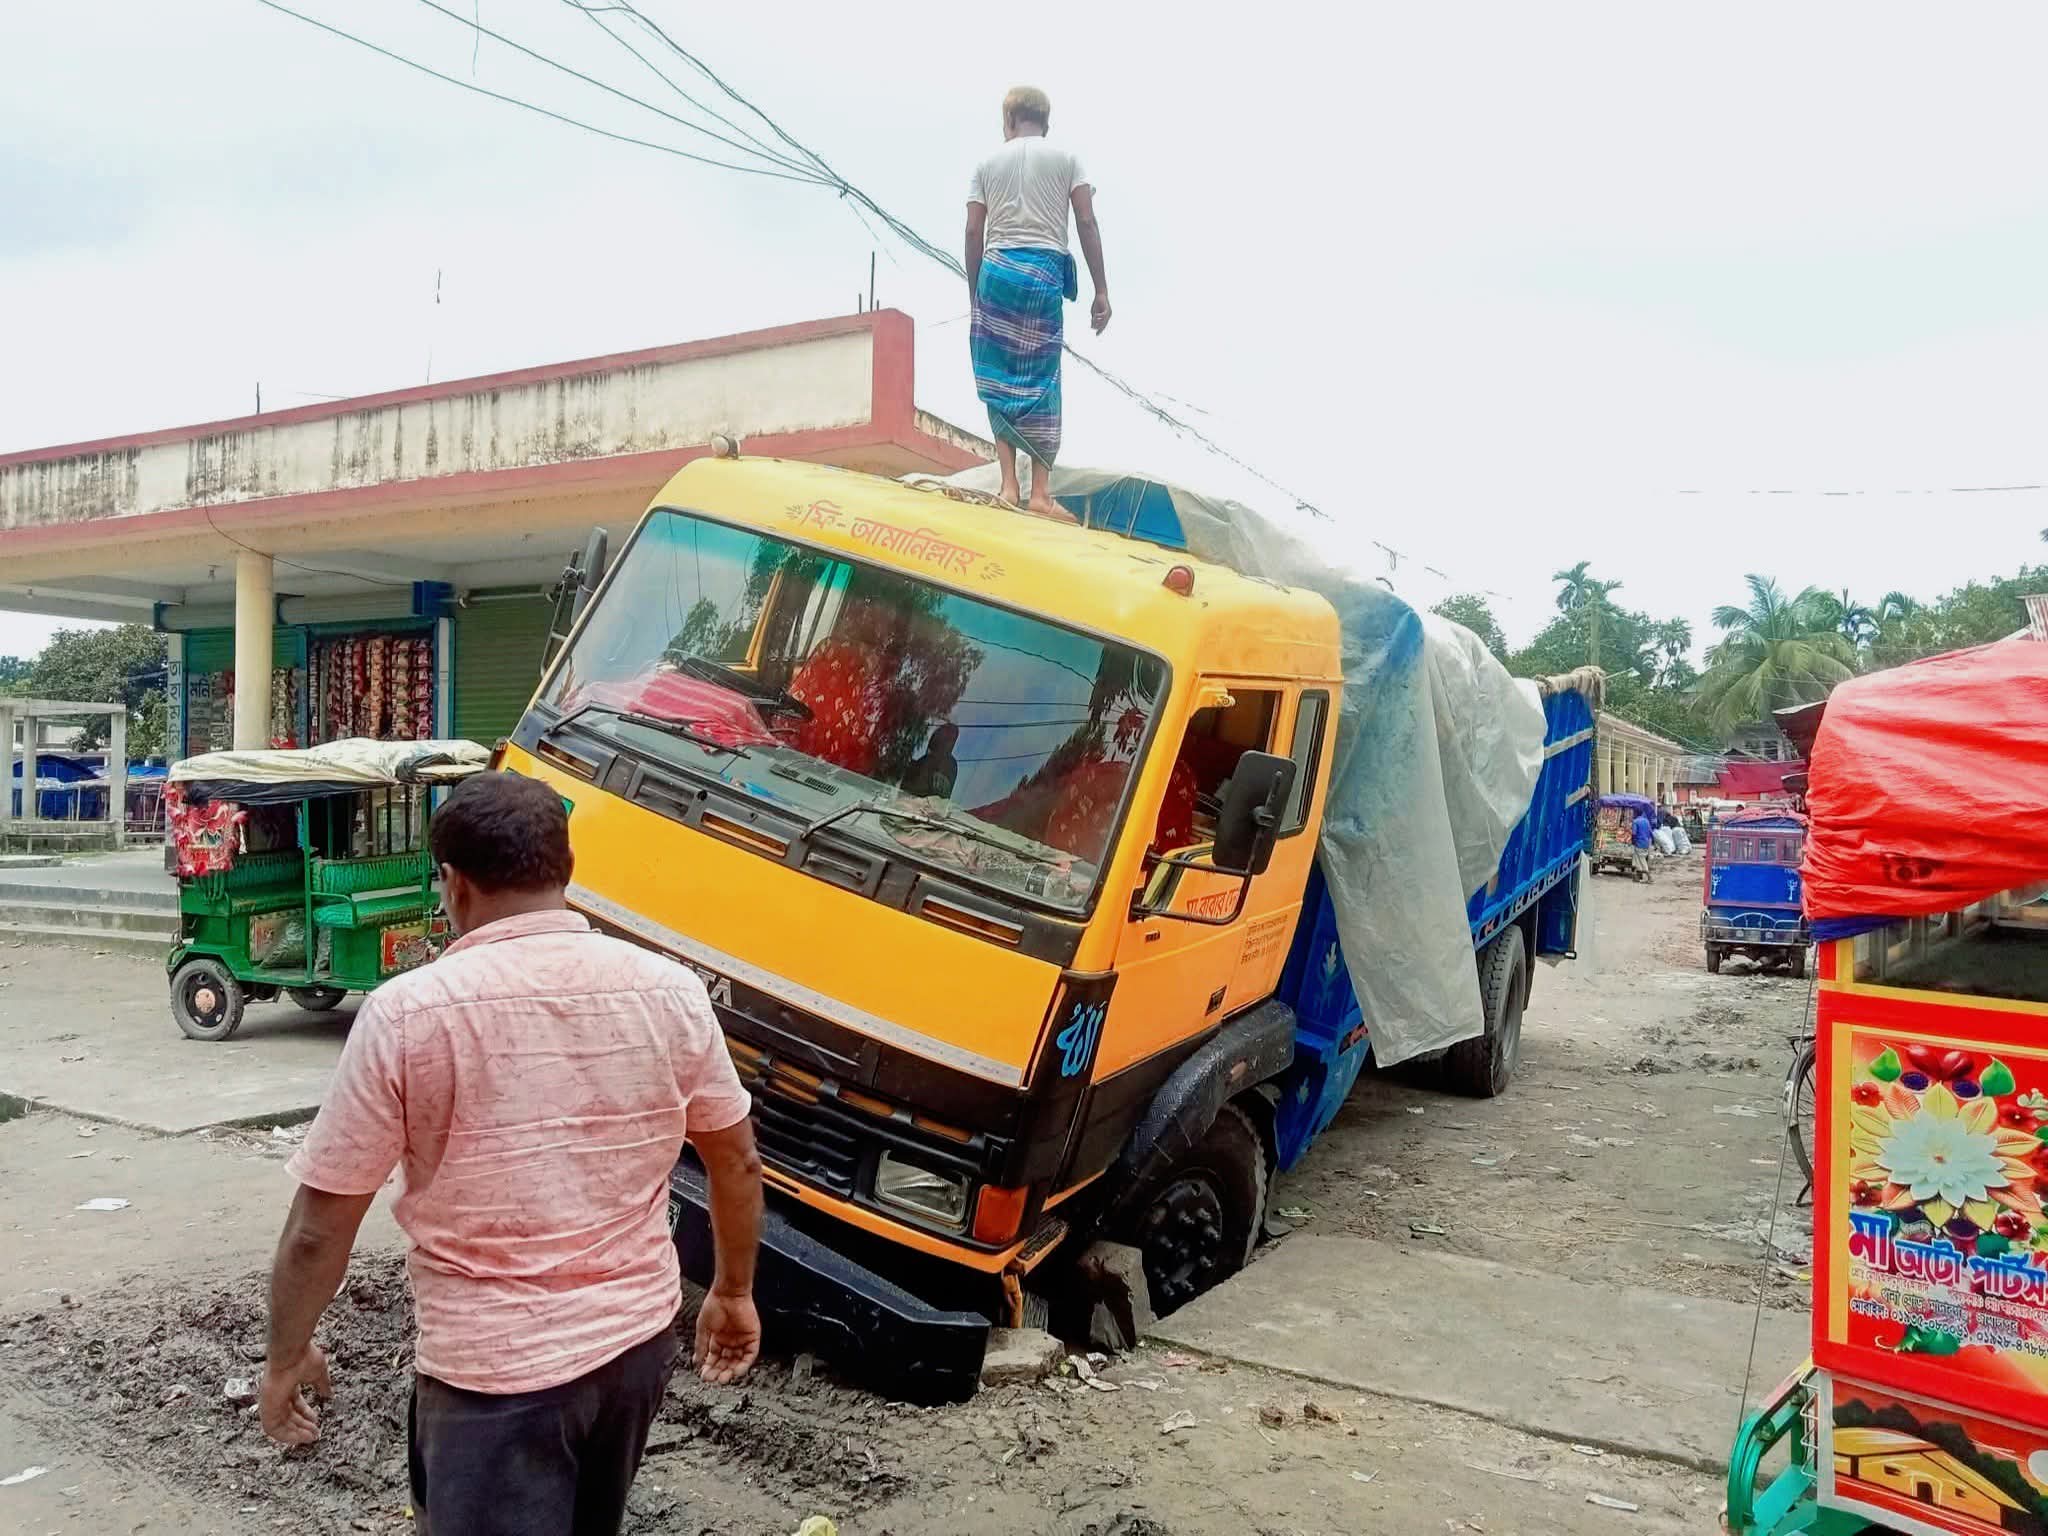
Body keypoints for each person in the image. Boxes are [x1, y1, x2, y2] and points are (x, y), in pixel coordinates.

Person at [259, 773, 763, 1536]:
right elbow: (736, 1162)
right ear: (563, 872)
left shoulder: (408, 1013)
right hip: (634, 1349)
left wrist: (284, 1354)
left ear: (453, 885)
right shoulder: (670, 991)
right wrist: (731, 1290)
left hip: (492, 1374)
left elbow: (319, 1227)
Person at [966, 85, 1109, 514]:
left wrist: (976, 292)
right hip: (1042, 273)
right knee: (1043, 378)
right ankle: (1041, 494)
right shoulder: (1068, 160)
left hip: (996, 271)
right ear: (1045, 123)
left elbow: (974, 231)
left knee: (999, 374)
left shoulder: (987, 164)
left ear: (1009, 122)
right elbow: (1086, 219)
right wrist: (1101, 289)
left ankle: (1008, 486)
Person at [902, 722, 960, 798]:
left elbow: (940, 798)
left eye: (949, 739)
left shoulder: (950, 764)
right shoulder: (923, 761)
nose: (947, 743)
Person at [1630, 806, 1654, 881]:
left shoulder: (1635, 821)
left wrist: (1633, 841)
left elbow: (1634, 833)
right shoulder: (1646, 821)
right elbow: (1651, 833)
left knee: (1641, 859)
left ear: (1635, 813)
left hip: (1639, 843)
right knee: (1636, 858)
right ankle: (1635, 876)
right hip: (1646, 843)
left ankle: (1649, 876)